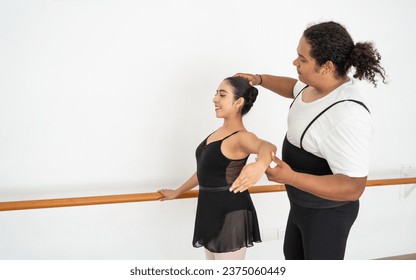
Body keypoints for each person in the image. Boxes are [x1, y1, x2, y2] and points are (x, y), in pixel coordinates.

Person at [231, 21, 386, 260]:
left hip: (327, 214)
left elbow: (354, 187)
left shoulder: (347, 115)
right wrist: (259, 79)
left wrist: (290, 177)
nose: (295, 63)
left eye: (302, 59)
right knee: (292, 257)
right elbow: (293, 87)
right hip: (301, 205)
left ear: (326, 67)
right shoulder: (315, 85)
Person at [158, 76, 277, 260]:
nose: (215, 99)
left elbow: (268, 147)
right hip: (209, 208)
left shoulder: (241, 137)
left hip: (231, 210)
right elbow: (205, 172)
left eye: (222, 95)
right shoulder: (216, 134)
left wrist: (259, 165)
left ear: (238, 102)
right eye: (216, 93)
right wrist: (177, 192)